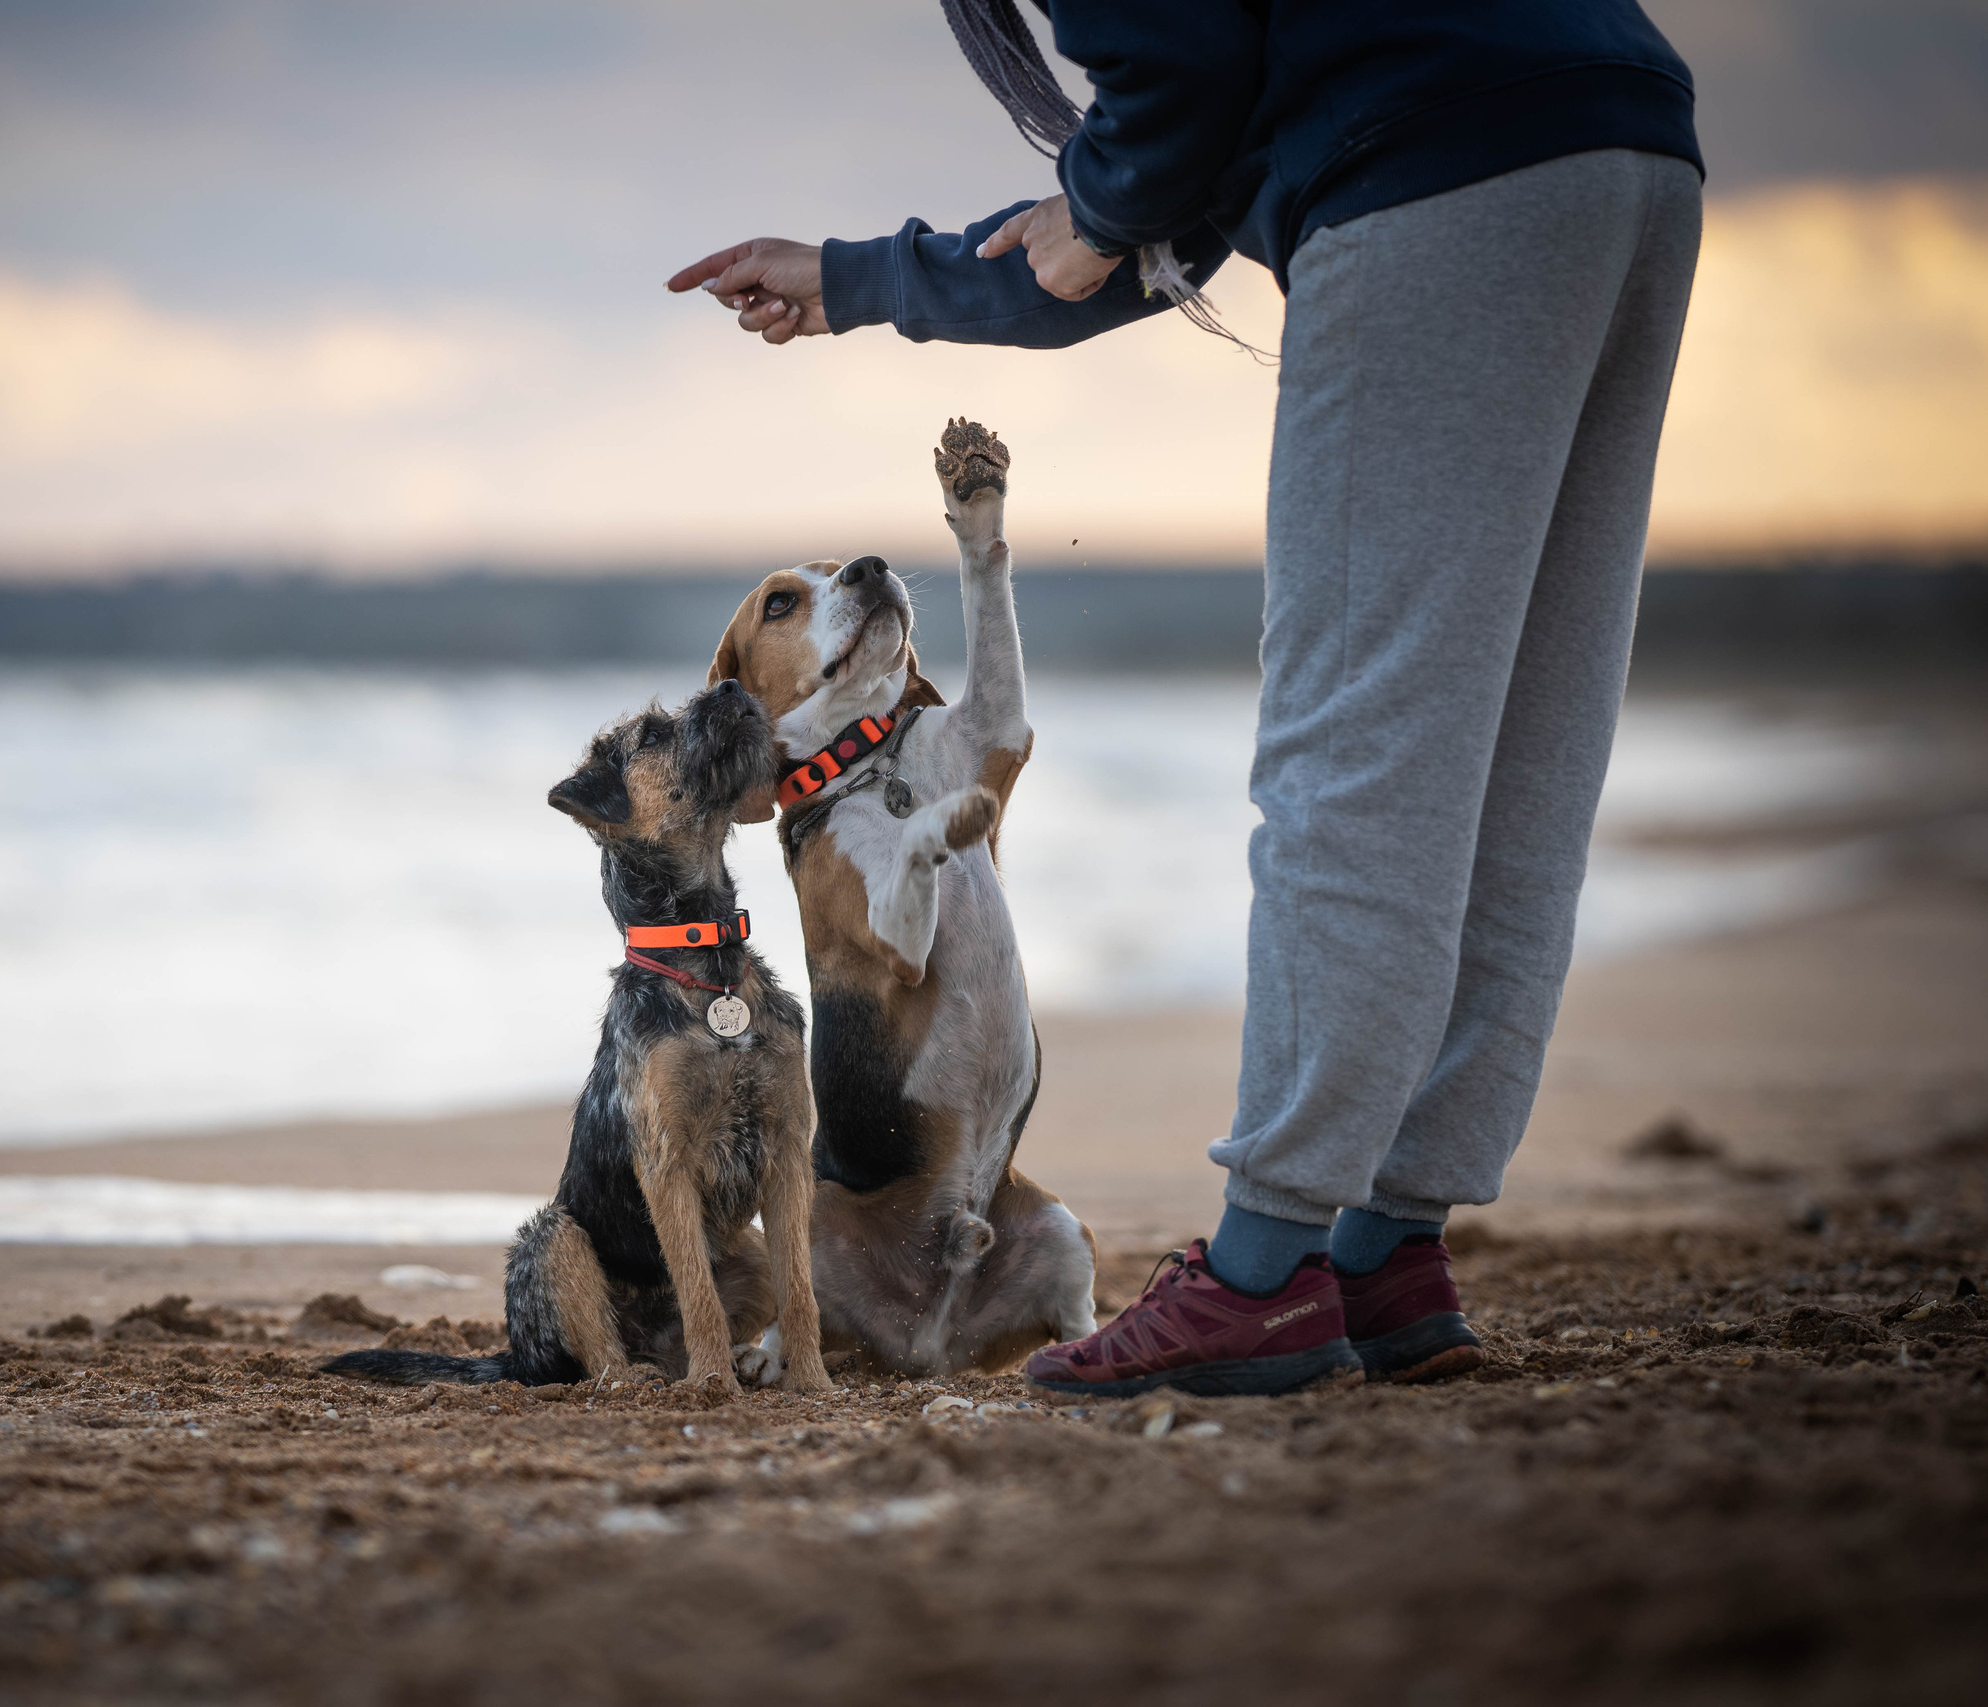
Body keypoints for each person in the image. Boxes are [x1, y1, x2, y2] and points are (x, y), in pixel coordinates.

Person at [666, 0, 1703, 1397]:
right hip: (1620, 144)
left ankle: (1270, 1269)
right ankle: (1390, 1247)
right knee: (1522, 746)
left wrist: (1097, 207)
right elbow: (1159, 198)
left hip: (1428, 175)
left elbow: (1172, 86)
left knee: (1360, 760)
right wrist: (864, 279)